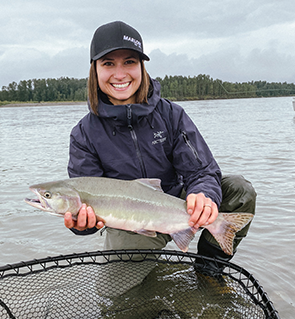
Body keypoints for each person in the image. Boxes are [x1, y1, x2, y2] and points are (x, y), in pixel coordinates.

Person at [64, 21, 256, 264]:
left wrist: (204, 195)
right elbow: (88, 216)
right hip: (130, 225)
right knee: (114, 295)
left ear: (142, 67)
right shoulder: (83, 134)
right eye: (108, 63)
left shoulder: (171, 115)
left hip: (178, 204)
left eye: (129, 62)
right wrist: (82, 226)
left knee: (239, 190)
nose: (120, 74)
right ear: (95, 70)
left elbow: (202, 171)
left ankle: (210, 269)